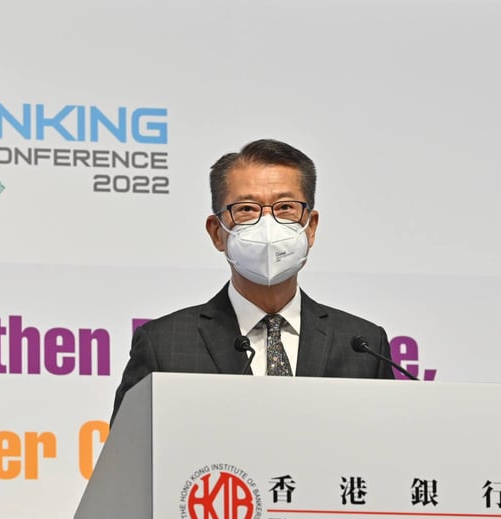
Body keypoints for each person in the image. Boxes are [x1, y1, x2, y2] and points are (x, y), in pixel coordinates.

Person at [110, 139, 396, 423]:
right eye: (247, 209)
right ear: (216, 232)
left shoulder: (363, 345)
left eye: (285, 207)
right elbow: (126, 461)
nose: (267, 225)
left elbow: (390, 454)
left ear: (311, 227)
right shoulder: (164, 344)